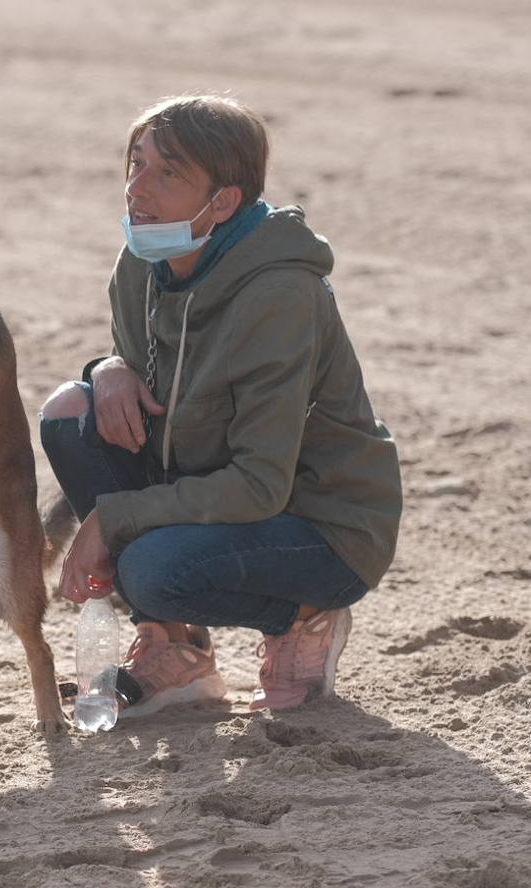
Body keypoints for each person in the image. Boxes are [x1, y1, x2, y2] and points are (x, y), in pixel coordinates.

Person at [39, 95, 401, 717]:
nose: (137, 188)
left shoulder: (280, 295)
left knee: (150, 570)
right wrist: (110, 368)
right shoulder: (142, 262)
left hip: (320, 526)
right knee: (72, 411)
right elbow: (160, 381)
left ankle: (305, 616)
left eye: (167, 173)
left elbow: (260, 484)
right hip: (216, 493)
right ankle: (174, 651)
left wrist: (113, 518)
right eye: (137, 162)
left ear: (225, 202)